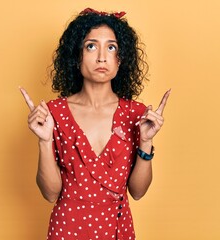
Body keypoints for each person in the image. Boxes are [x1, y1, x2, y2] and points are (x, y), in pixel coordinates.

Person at [19, 8, 171, 240]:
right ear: (76, 55)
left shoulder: (136, 114)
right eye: (91, 46)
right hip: (67, 229)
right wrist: (44, 140)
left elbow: (138, 192)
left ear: (121, 59)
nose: (102, 57)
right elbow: (50, 194)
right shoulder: (54, 114)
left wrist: (146, 142)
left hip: (117, 229)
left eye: (111, 47)